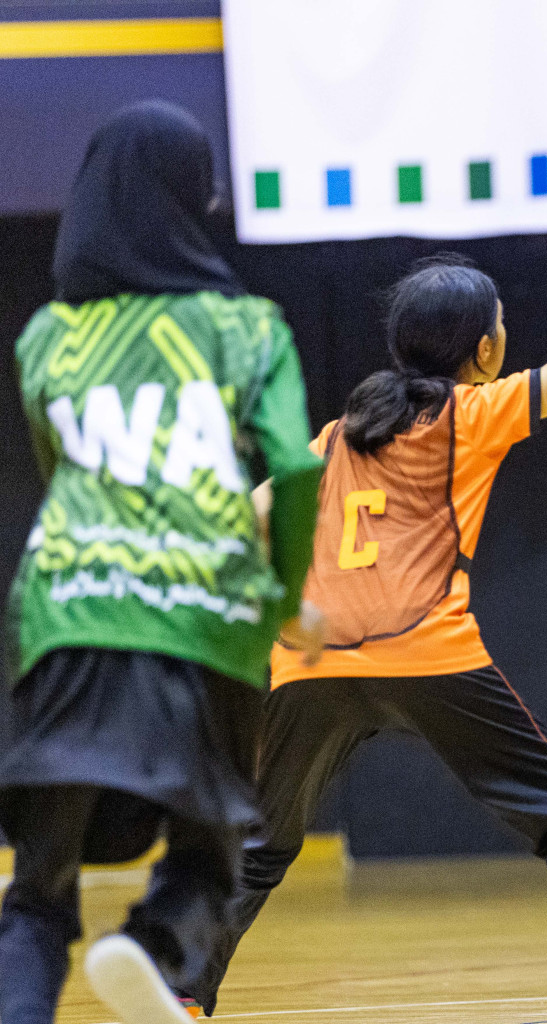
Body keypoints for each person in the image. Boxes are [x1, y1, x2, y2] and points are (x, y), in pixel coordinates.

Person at [184, 100, 547, 1024]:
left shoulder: (333, 437)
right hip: (429, 652)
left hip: (312, 664)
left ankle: (183, 994)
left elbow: (239, 527)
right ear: (484, 349)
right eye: (501, 331)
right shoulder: (473, 413)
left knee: (259, 847)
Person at [0, 101, 326, 1024]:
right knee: (209, 854)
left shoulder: (45, 339)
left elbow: (60, 469)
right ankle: (150, 955)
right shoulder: (247, 328)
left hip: (65, 613)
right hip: (202, 614)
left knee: (35, 895)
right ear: (195, 199)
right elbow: (298, 465)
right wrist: (285, 597)